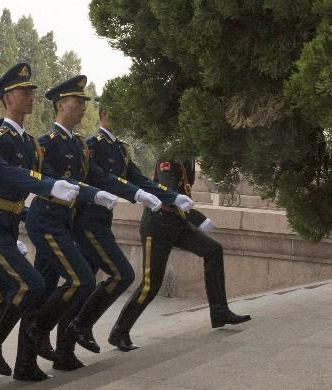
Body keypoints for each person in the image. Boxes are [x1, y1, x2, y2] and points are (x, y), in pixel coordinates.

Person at [0, 62, 79, 389]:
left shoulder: (28, 143)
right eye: (24, 92)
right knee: (28, 286)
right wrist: (47, 187)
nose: (30, 97)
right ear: (8, 98)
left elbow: (40, 178)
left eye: (31, 92)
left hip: (8, 226)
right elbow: (7, 175)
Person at [25, 75, 160, 371]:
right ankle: (38, 337)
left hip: (67, 222)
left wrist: (141, 193)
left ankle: (56, 350)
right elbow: (55, 180)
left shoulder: (79, 145)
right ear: (61, 105)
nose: (83, 108)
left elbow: (100, 177)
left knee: (65, 286)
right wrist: (96, 194)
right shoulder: (46, 144)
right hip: (49, 220)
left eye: (85, 103)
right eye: (78, 102)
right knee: (59, 286)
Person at [70, 97, 193, 351]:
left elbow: (139, 178)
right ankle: (79, 325)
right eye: (118, 113)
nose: (125, 119)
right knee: (119, 274)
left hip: (103, 221)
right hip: (87, 220)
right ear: (104, 115)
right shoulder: (92, 145)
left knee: (86, 283)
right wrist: (135, 194)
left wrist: (170, 196)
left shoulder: (122, 149)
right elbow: (102, 178)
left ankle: (67, 346)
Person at [109, 158, 250, 350]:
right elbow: (168, 195)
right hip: (157, 228)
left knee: (213, 250)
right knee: (151, 285)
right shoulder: (168, 159)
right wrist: (198, 219)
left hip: (177, 225)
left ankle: (220, 311)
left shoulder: (188, 158)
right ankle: (119, 332)